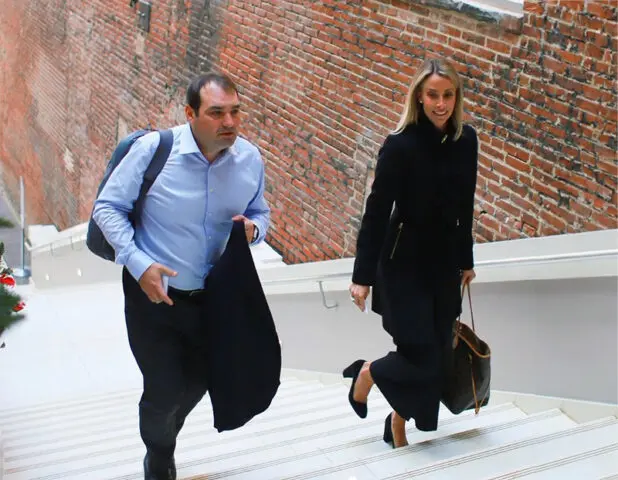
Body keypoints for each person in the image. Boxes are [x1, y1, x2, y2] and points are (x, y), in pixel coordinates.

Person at [92, 72, 270, 480]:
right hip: (155, 296)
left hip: (215, 300)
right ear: (190, 114)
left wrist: (254, 230)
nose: (230, 122)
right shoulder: (155, 150)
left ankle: (165, 435)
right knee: (163, 388)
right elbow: (107, 208)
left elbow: (261, 213)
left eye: (235, 112)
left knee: (201, 382)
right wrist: (139, 263)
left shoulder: (250, 159)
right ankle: (158, 455)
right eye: (217, 113)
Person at [343, 58, 478, 448]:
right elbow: (376, 210)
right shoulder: (400, 145)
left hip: (444, 265)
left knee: (436, 354)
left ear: (456, 97)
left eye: (448, 95)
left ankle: (397, 422)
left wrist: (466, 260)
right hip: (402, 264)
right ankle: (367, 373)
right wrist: (362, 277)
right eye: (433, 95)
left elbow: (466, 204)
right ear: (419, 97)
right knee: (420, 353)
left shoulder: (465, 140)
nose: (440, 104)